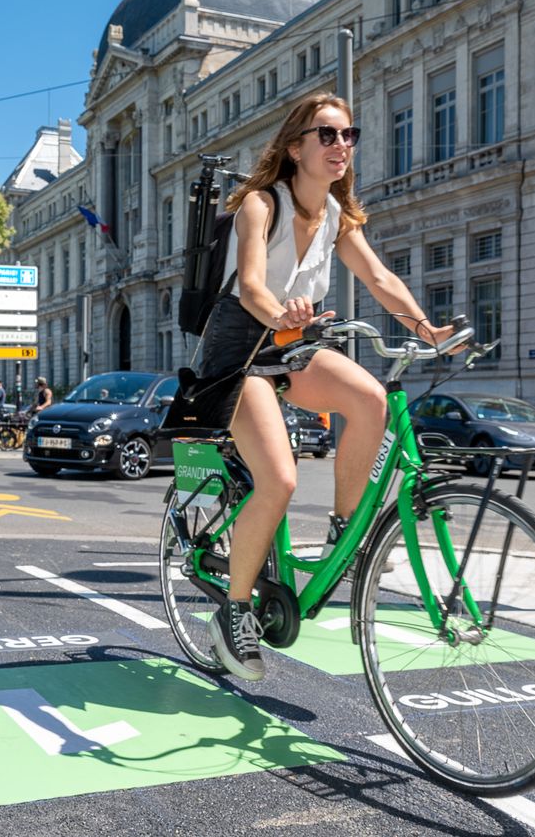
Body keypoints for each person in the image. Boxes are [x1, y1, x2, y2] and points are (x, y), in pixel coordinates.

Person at [200, 92, 452, 682]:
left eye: (348, 135)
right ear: (296, 148)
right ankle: (234, 616)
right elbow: (253, 287)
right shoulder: (262, 205)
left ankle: (347, 536)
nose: (342, 146)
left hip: (294, 347)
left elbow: (380, 277)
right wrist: (280, 313)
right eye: (328, 135)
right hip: (241, 352)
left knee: (369, 401)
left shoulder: (338, 216)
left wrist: (427, 329)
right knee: (280, 478)